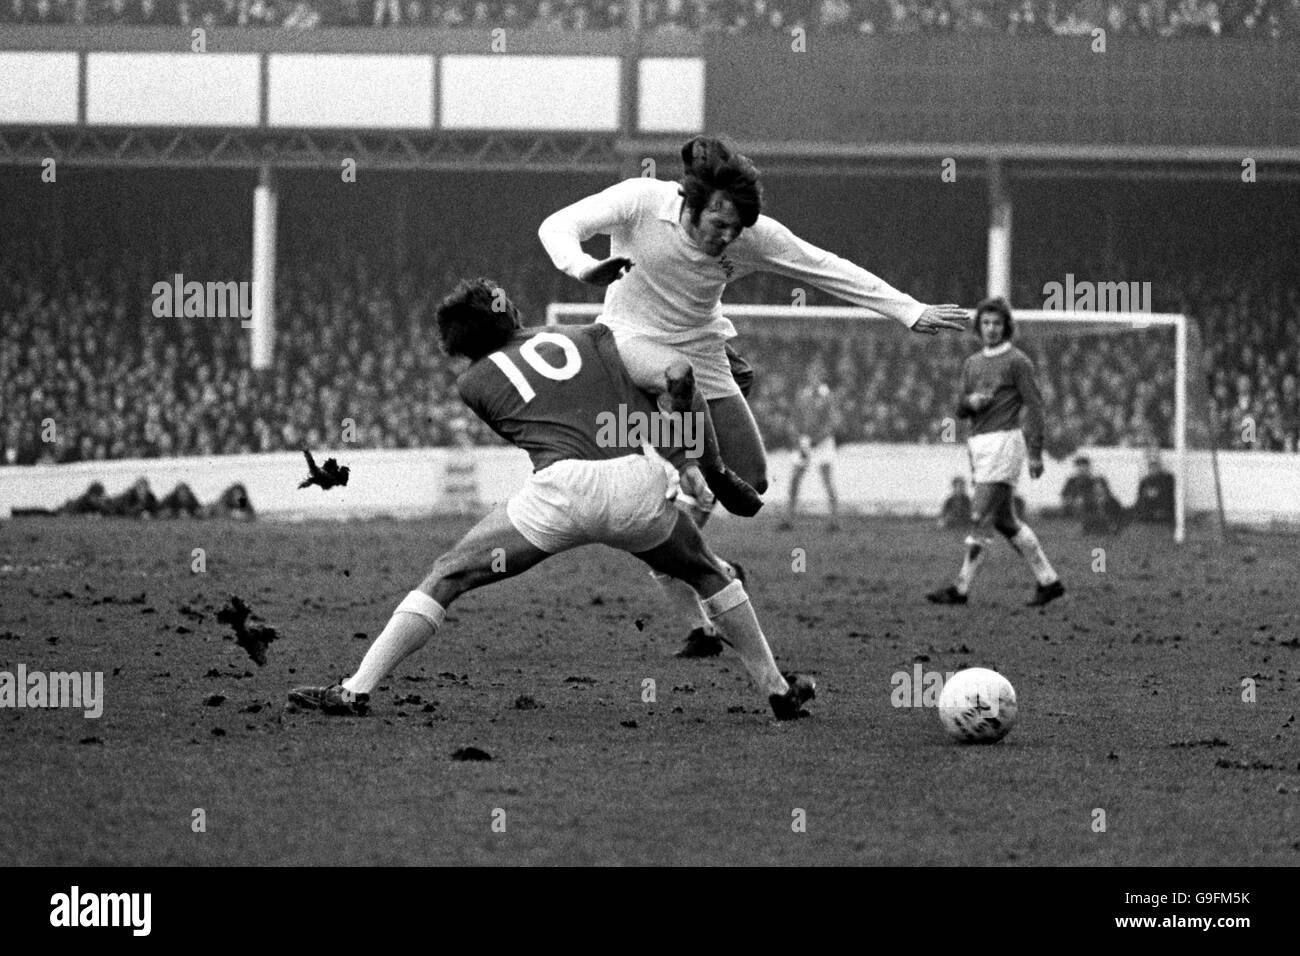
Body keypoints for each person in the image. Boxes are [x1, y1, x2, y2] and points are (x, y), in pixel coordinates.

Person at [289, 279, 815, 721]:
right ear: (507, 312)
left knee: (449, 574)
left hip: (560, 491)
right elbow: (671, 380)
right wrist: (687, 459)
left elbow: (536, 423)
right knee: (708, 573)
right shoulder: (595, 334)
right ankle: (775, 688)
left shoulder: (472, 384)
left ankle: (354, 690)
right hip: (636, 481)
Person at [539, 135, 965, 649]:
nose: (727, 237)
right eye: (719, 224)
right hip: (628, 339)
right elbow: (557, 225)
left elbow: (825, 266)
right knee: (674, 378)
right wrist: (583, 268)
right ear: (690, 205)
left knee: (752, 481)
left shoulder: (752, 235)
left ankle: (699, 557)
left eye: (737, 229)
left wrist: (908, 310)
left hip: (702, 346)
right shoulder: (641, 201)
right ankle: (684, 482)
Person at [926, 297, 1065, 607]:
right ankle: (1049, 581)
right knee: (1005, 521)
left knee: (979, 515)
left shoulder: (1017, 362)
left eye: (997, 324)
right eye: (986, 323)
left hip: (1004, 442)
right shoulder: (972, 364)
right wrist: (971, 403)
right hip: (979, 445)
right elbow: (959, 409)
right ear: (979, 327)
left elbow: (1036, 406)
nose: (991, 329)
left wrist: (1036, 451)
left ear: (1006, 328)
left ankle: (960, 588)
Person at [780, 376, 842, 531]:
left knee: (827, 480)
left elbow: (832, 421)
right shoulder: (803, 395)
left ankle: (834, 520)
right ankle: (788, 519)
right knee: (795, 480)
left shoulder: (828, 396)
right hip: (806, 441)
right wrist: (798, 439)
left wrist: (819, 437)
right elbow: (795, 418)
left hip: (823, 442)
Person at [1130, 448, 1175, 526]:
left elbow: (1169, 497)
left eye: (1155, 463)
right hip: (1148, 514)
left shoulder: (1168, 478)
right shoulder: (1144, 482)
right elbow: (1140, 500)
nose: (1153, 467)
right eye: (1150, 463)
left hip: (1163, 512)